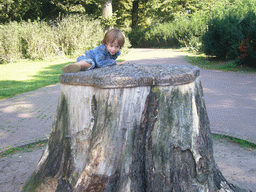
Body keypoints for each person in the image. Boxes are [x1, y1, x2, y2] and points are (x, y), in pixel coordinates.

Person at [62, 28, 127, 73]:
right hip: (86, 58)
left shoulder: (116, 52)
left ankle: (76, 67)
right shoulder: (101, 50)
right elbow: (100, 63)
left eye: (117, 46)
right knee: (91, 63)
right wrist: (114, 62)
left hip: (92, 61)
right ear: (106, 44)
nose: (113, 49)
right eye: (111, 46)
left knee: (91, 64)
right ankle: (75, 65)